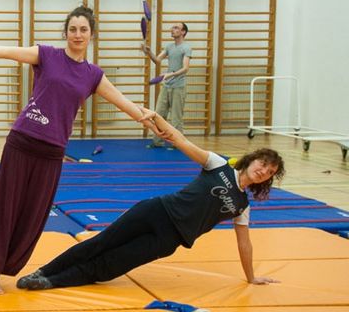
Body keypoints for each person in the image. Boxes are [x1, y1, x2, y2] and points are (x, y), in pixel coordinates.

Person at [0, 5, 161, 295]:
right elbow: (6, 51)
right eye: (72, 29)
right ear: (66, 33)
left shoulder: (93, 75)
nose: (77, 34)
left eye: (83, 30)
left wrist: (151, 120)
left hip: (52, 153)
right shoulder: (47, 55)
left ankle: (0, 272)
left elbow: (123, 103)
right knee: (5, 207)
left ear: (92, 35)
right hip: (22, 142)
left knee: (31, 217)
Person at [17, 115, 284, 290]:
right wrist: (157, 118)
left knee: (111, 265)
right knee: (101, 243)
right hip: (156, 211)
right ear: (252, 160)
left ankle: (51, 281)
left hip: (170, 238)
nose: (263, 171)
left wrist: (251, 277)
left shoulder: (242, 206)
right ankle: (43, 271)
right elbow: (181, 140)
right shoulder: (218, 164)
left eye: (269, 172)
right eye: (263, 164)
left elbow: (244, 243)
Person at [142, 23, 192, 148]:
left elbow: (185, 68)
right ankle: (157, 142)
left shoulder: (186, 48)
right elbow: (157, 60)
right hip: (167, 85)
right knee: (158, 114)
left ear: (183, 32)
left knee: (176, 118)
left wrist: (171, 74)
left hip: (179, 86)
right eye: (173, 27)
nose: (172, 29)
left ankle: (177, 144)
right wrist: (149, 52)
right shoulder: (169, 46)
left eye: (176, 28)